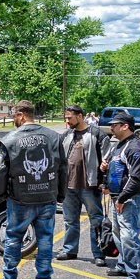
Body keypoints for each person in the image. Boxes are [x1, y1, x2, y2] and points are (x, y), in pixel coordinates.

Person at [0, 100, 66, 279]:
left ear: (21, 115)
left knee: (13, 238)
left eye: (13, 115)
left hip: (19, 199)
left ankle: (9, 278)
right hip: (47, 197)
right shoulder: (54, 137)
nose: (13, 119)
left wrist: (2, 193)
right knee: (45, 241)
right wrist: (60, 194)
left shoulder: (9, 139)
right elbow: (63, 168)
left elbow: (2, 171)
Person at [100, 112, 140, 279]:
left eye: (114, 125)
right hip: (118, 197)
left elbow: (136, 179)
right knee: (118, 233)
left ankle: (136, 276)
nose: (111, 128)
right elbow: (118, 170)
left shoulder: (135, 148)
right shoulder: (119, 145)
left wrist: (122, 198)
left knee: (129, 236)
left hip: (129, 199)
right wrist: (106, 172)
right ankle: (123, 265)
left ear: (125, 126)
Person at [56, 105, 111, 266]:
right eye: (66, 118)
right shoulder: (66, 135)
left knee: (96, 220)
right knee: (70, 220)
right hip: (69, 186)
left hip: (90, 186)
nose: (67, 121)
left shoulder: (97, 134)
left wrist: (104, 181)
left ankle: (99, 253)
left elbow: (107, 159)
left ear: (79, 116)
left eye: (70, 118)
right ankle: (70, 250)